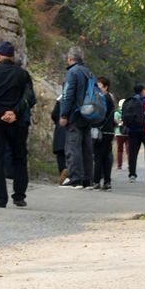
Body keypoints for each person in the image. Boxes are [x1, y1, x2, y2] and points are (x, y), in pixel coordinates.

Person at [0, 41, 36, 208]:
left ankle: (0, 199)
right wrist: (15, 112)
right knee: (19, 157)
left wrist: (0, 113)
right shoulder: (23, 75)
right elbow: (29, 98)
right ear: (12, 57)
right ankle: (19, 196)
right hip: (18, 123)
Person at [58, 45, 95, 189]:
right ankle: (87, 180)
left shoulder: (72, 73)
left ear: (70, 59)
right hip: (88, 114)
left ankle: (75, 179)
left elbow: (68, 95)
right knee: (86, 148)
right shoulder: (88, 72)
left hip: (75, 114)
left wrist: (64, 114)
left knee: (73, 147)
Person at [92, 77, 116, 190]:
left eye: (99, 86)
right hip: (109, 131)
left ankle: (96, 181)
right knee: (106, 157)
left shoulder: (103, 98)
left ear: (105, 87)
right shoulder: (110, 97)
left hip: (102, 131)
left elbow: (98, 115)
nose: (97, 88)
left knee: (98, 157)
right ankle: (107, 181)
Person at [122, 84, 145, 182]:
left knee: (132, 154)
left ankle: (132, 174)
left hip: (132, 130)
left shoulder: (130, 100)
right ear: (142, 91)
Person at [51, 95, 68, 183]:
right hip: (73, 130)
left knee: (61, 154)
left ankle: (62, 175)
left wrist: (58, 122)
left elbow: (54, 114)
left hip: (60, 129)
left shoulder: (61, 98)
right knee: (71, 154)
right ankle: (71, 177)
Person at [114, 98, 128, 171]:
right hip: (127, 133)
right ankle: (130, 165)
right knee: (128, 150)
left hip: (118, 133)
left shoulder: (116, 113)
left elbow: (115, 123)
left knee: (120, 150)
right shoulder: (128, 112)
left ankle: (119, 165)